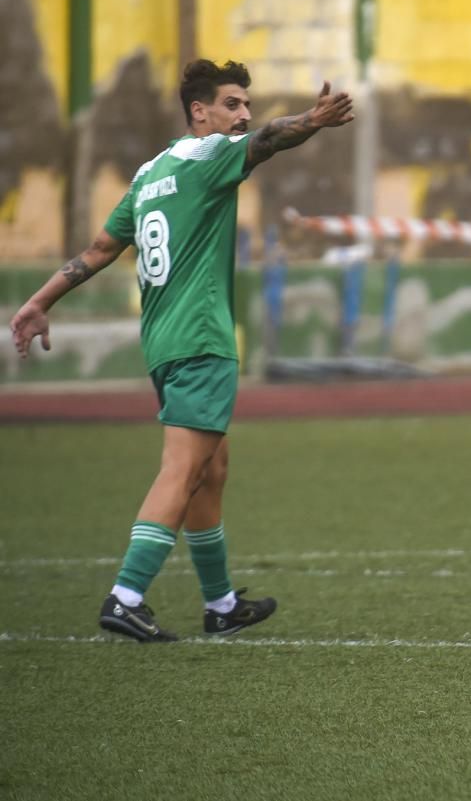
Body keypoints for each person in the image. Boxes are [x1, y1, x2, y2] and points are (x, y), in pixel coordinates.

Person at [9, 59, 354, 642]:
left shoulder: (149, 175)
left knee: (211, 469)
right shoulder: (212, 157)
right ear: (199, 111)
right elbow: (271, 139)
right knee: (183, 467)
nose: (243, 115)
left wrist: (40, 301)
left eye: (246, 105)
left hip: (164, 344)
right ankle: (126, 595)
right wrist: (314, 121)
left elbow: (97, 249)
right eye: (232, 103)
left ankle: (220, 606)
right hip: (200, 339)